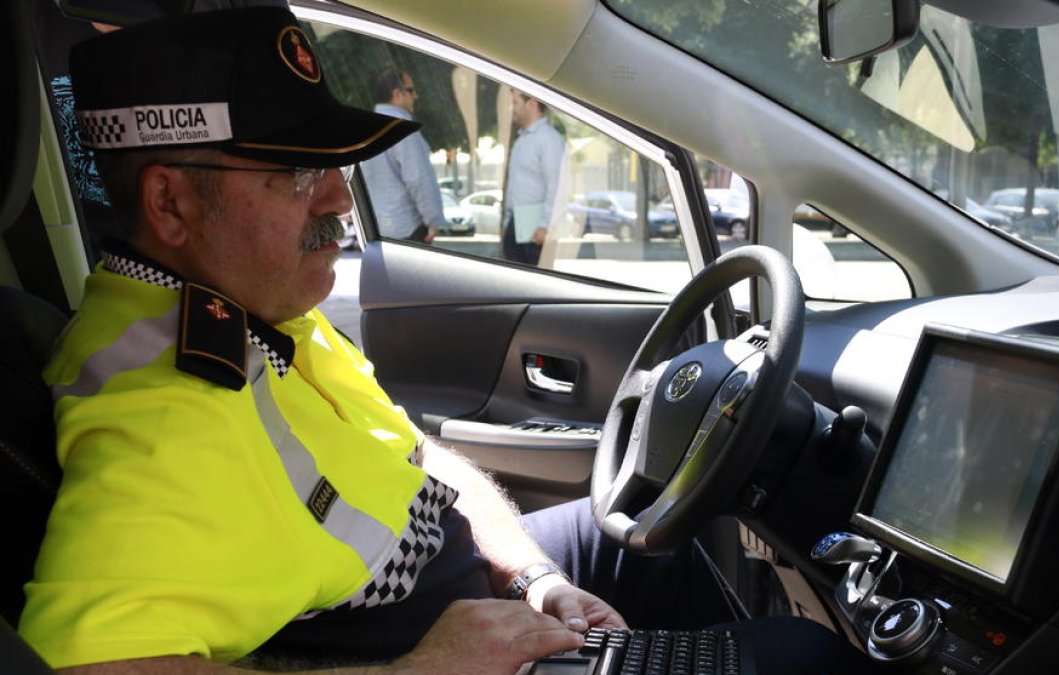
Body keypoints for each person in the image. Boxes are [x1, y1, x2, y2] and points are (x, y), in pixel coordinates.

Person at [19, 7, 879, 675]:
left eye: (332, 169)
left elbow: (415, 458)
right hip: (435, 650)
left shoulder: (254, 310)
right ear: (170, 205)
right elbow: (88, 664)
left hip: (472, 596)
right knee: (809, 659)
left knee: (655, 543)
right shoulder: (163, 416)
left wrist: (533, 578)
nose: (338, 204)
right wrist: (425, 667)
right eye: (297, 174)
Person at [359, 70, 445, 243]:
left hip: (376, 228)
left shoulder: (366, 127)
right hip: (409, 229)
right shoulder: (404, 129)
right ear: (397, 94)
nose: (416, 96)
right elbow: (418, 178)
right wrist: (433, 220)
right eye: (411, 90)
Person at [501, 92, 566, 265]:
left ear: (532, 103)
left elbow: (557, 187)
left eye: (515, 102)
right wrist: (508, 224)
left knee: (534, 287)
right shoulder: (522, 139)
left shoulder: (549, 139)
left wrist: (546, 226)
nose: (511, 109)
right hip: (518, 224)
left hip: (536, 230)